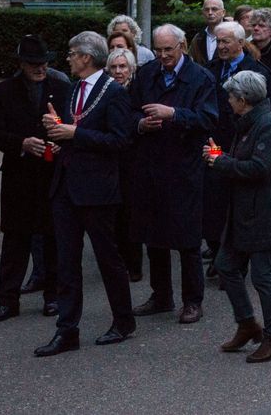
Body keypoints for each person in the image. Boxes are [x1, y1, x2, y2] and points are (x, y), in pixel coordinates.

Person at [33, 31, 136, 357]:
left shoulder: (114, 93)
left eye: (72, 53)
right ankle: (67, 329)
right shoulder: (72, 88)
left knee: (108, 258)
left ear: (87, 57)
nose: (68, 58)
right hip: (66, 186)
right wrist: (57, 132)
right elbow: (70, 130)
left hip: (97, 190)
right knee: (65, 261)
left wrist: (75, 133)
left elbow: (120, 140)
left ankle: (123, 320)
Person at [129, 24, 217, 324]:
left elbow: (208, 119)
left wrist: (174, 115)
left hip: (184, 168)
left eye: (169, 50)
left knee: (187, 238)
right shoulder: (146, 73)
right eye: (158, 50)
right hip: (150, 166)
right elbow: (128, 111)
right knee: (154, 236)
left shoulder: (200, 78)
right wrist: (141, 123)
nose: (163, 56)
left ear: (181, 46)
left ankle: (193, 300)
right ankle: (161, 295)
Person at [0, 35, 70, 325]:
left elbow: (72, 124)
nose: (40, 68)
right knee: (15, 242)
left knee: (52, 239)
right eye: (34, 64)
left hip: (51, 174)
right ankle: (7, 300)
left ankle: (53, 296)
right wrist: (21, 143)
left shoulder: (60, 88)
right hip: (18, 177)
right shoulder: (4, 91)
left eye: (44, 63)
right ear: (22, 64)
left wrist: (61, 142)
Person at [203, 71, 271, 363]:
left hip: (262, 212)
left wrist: (222, 162)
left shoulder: (268, 124)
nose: (227, 101)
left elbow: (259, 168)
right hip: (242, 212)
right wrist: (220, 156)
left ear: (243, 100)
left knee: (263, 277)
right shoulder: (248, 123)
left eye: (231, 97)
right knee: (226, 265)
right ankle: (247, 324)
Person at [203, 22, 271, 277]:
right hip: (215, 145)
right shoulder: (210, 71)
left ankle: (236, 265)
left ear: (240, 42)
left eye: (226, 42)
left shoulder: (258, 72)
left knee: (238, 206)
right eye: (218, 42)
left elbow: (269, 113)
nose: (221, 46)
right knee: (213, 205)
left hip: (245, 146)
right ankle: (219, 255)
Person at [106, 48, 143, 281]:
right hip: (110, 161)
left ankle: (134, 265)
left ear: (132, 69)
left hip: (133, 160)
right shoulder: (105, 93)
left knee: (130, 214)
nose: (118, 71)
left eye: (123, 67)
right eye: (114, 67)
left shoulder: (137, 92)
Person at [189, 0, 226, 64]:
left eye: (214, 9)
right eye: (206, 9)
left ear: (223, 12)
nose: (210, 13)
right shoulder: (197, 39)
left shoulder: (233, 35)